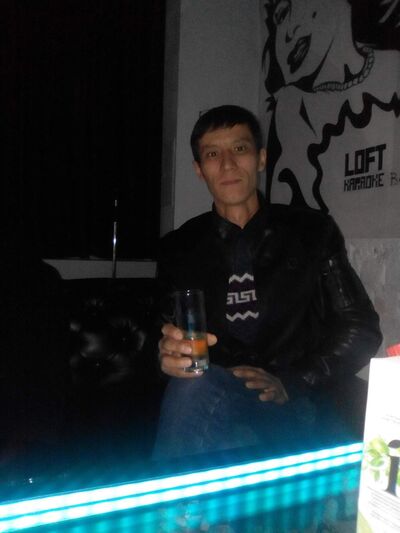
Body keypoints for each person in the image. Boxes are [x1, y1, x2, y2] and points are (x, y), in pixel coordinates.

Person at [152, 104, 382, 460]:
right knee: (194, 391)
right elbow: (163, 332)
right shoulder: (178, 248)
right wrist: (166, 355)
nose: (227, 164)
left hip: (295, 396)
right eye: (212, 154)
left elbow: (360, 326)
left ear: (260, 159)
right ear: (199, 169)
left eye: (239, 149)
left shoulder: (312, 232)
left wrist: (295, 381)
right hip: (216, 395)